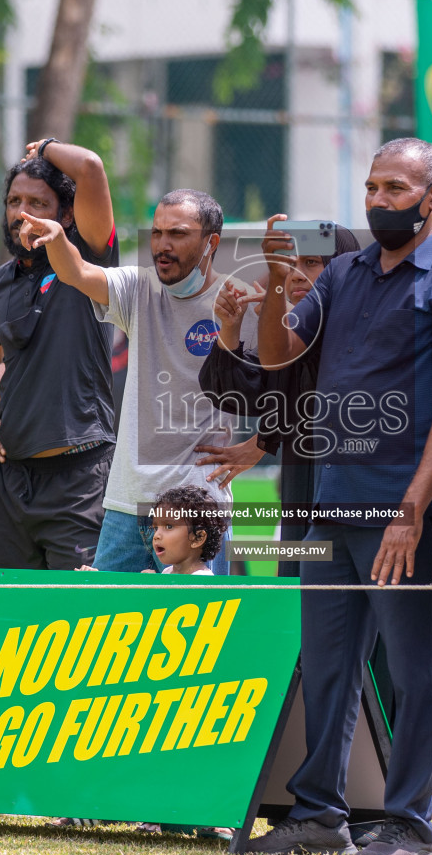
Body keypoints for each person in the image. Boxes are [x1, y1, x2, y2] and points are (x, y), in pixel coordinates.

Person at [242, 138, 432, 855]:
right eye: (373, 188)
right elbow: (279, 359)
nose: (380, 200)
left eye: (396, 188)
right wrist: (273, 281)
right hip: (330, 504)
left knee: (416, 670)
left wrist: (414, 510)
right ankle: (319, 813)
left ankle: (409, 821)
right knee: (326, 666)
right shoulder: (345, 274)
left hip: (401, 514)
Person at [18, 188, 262, 575]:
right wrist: (58, 238)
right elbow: (77, 272)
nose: (162, 245)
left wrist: (259, 446)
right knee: (104, 627)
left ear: (211, 242)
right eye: (156, 233)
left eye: (178, 234)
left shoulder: (242, 303)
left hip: (198, 508)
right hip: (126, 505)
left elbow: (297, 387)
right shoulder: (138, 287)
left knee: (199, 632)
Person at [0, 142, 118, 569]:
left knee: (76, 622)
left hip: (79, 478)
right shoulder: (0, 282)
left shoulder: (87, 260)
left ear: (67, 215)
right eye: (14, 201)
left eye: (39, 203)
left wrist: (48, 147)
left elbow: (91, 166)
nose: (23, 213)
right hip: (11, 479)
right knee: (6, 623)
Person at [198, 219, 363, 572]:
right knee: (297, 601)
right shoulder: (289, 336)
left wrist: (262, 442)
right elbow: (240, 395)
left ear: (345, 266)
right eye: (289, 265)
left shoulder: (362, 334)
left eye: (312, 262)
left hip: (354, 504)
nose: (297, 275)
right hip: (299, 495)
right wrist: (231, 328)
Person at [146, 485, 227, 576]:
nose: (156, 535)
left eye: (169, 527)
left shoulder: (201, 580)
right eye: (156, 528)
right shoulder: (167, 572)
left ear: (198, 538)